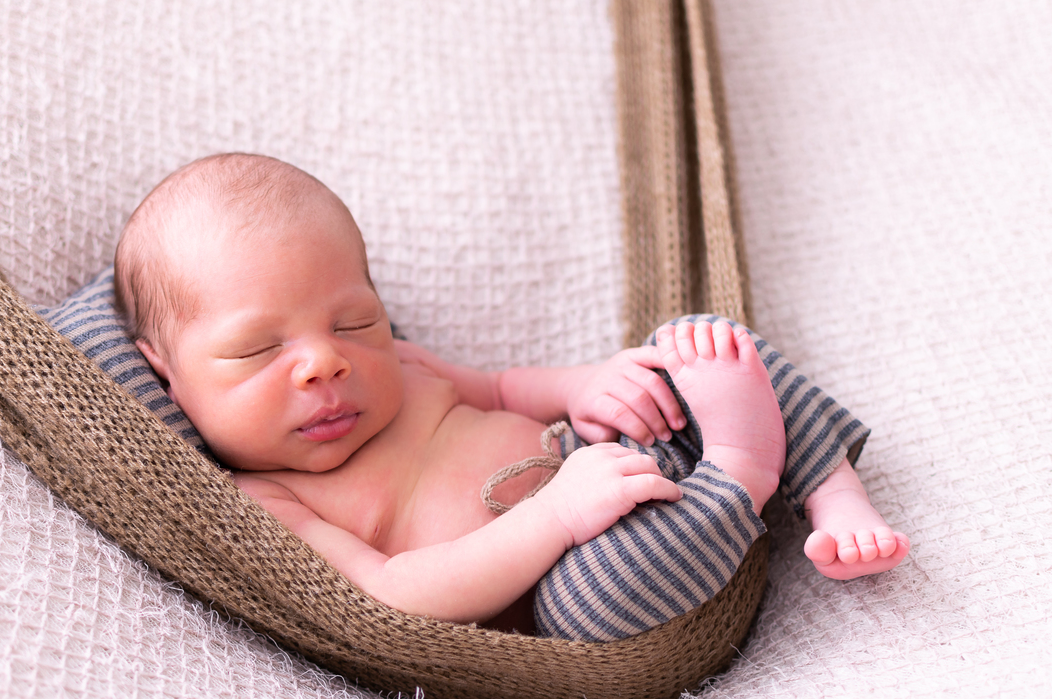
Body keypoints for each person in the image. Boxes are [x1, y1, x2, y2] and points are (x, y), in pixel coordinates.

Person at [113, 152, 909, 641]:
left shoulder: (409, 369)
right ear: (163, 373)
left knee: (694, 345)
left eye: (356, 322)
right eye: (258, 349)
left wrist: (592, 386)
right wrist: (557, 518)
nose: (325, 363)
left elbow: (502, 389)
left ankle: (833, 491)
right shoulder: (268, 497)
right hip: (571, 573)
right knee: (597, 606)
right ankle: (746, 468)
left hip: (609, 459)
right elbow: (392, 598)